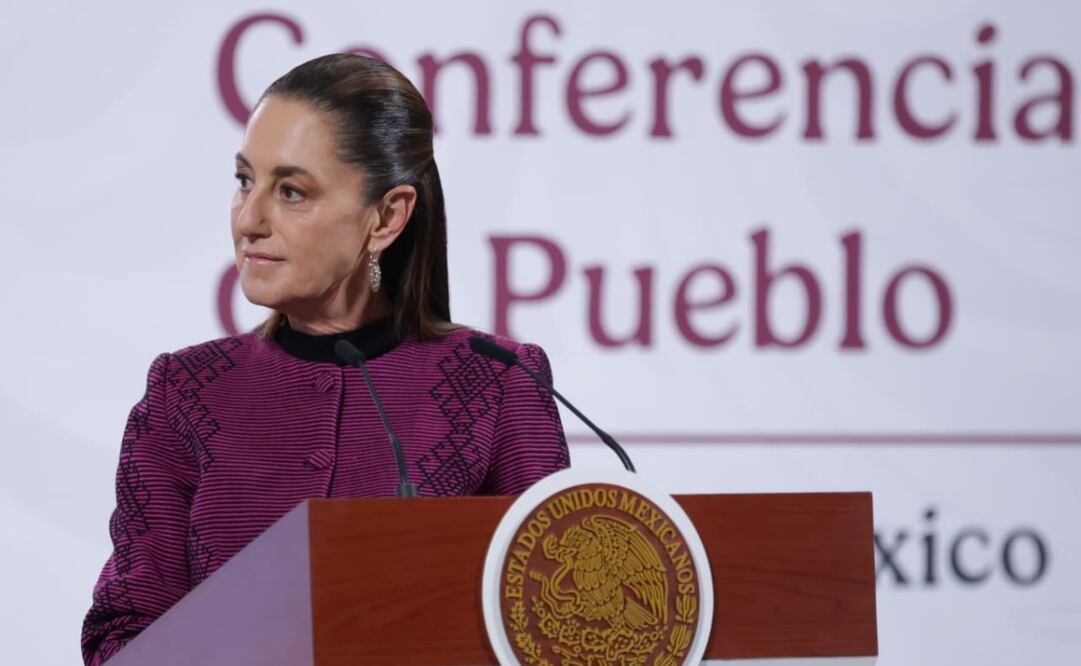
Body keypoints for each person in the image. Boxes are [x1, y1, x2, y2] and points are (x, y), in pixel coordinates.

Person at [81, 53, 570, 665]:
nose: (249, 219)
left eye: (291, 191)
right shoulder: (184, 392)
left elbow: (561, 625)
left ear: (386, 217)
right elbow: (120, 635)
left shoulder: (500, 382)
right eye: (243, 181)